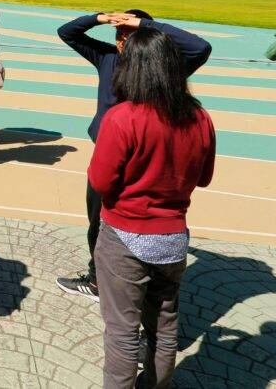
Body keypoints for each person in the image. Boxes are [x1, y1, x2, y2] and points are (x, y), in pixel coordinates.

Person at [89, 26, 216, 388]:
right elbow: (204, 177)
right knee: (164, 325)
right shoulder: (200, 117)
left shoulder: (123, 117)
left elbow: (100, 182)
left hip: (124, 235)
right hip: (173, 237)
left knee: (122, 331)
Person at [55, 10, 212, 302]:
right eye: (119, 36)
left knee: (136, 221)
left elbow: (201, 48)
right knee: (97, 220)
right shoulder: (107, 58)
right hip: (107, 154)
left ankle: (138, 282)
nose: (122, 42)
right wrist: (99, 18)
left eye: (129, 36)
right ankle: (97, 279)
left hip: (145, 156)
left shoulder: (163, 69)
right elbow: (67, 33)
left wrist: (142, 24)